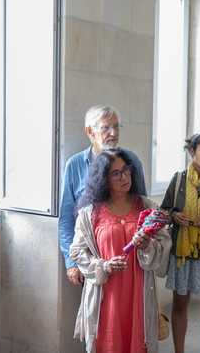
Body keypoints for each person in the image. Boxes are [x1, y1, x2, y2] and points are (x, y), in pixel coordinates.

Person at [69, 148, 171, 353]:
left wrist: (146, 245)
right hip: (107, 296)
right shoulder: (90, 214)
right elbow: (77, 251)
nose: (124, 177)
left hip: (139, 292)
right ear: (103, 179)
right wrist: (103, 266)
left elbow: (163, 250)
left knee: (139, 342)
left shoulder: (147, 207)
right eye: (116, 173)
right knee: (108, 344)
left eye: (126, 170)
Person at [60, 105, 147, 287]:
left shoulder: (132, 161)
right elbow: (66, 219)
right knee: (96, 311)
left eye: (116, 127)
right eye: (106, 127)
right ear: (90, 131)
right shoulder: (75, 165)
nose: (113, 133)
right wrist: (71, 263)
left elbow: (143, 210)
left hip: (127, 258)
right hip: (90, 261)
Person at [161, 133, 200, 353]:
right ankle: (179, 351)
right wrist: (174, 216)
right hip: (183, 251)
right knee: (180, 303)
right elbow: (164, 210)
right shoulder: (178, 179)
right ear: (192, 151)